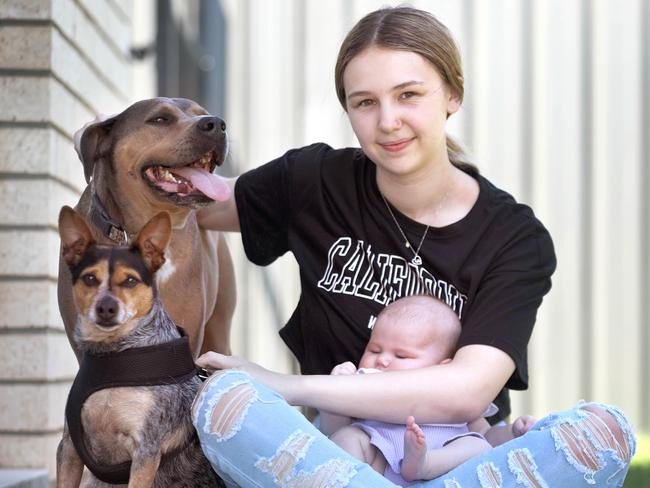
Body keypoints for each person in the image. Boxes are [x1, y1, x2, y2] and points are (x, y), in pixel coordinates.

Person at [78, 6, 636, 486]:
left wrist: (280, 383)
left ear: (452, 95)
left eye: (409, 95)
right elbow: (193, 198)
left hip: (453, 461)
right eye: (364, 102)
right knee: (223, 405)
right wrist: (123, 157)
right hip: (340, 454)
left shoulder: (513, 237)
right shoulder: (316, 182)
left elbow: (467, 392)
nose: (388, 122)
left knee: (605, 431)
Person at [320, 294, 537, 486]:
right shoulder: (364, 390)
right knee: (347, 437)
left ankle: (423, 465)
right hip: (378, 469)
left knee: (478, 447)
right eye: (374, 349)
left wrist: (513, 433)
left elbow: (486, 435)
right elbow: (333, 431)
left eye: (401, 355)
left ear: (441, 369)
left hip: (440, 471)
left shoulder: (455, 398)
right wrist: (333, 396)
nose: (382, 360)